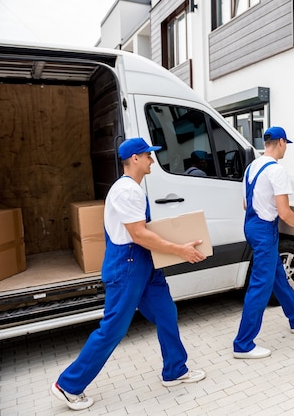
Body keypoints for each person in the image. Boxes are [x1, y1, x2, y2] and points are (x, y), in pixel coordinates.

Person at [51, 138, 207, 410]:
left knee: (165, 313)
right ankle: (68, 385)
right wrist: (179, 250)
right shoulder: (126, 191)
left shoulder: (133, 189)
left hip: (143, 263)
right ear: (134, 158)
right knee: (113, 328)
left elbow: (142, 232)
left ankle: (175, 370)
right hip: (128, 264)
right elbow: (138, 234)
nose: (151, 160)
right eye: (148, 155)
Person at [233, 126, 294, 359]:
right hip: (264, 230)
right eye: (286, 144)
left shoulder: (252, 167)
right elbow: (284, 212)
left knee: (277, 274)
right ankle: (243, 343)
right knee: (260, 285)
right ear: (280, 142)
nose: (286, 148)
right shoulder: (276, 170)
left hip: (251, 225)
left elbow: (244, 204)